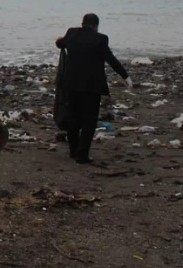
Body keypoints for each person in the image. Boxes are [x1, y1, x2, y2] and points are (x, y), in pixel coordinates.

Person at [55, 14, 132, 164]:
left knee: (73, 119)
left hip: (71, 85)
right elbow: (111, 59)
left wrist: (60, 40)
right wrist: (125, 76)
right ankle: (82, 154)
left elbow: (60, 44)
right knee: (89, 121)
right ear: (96, 26)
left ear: (82, 23)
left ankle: (73, 150)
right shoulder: (101, 39)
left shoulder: (71, 33)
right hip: (92, 87)